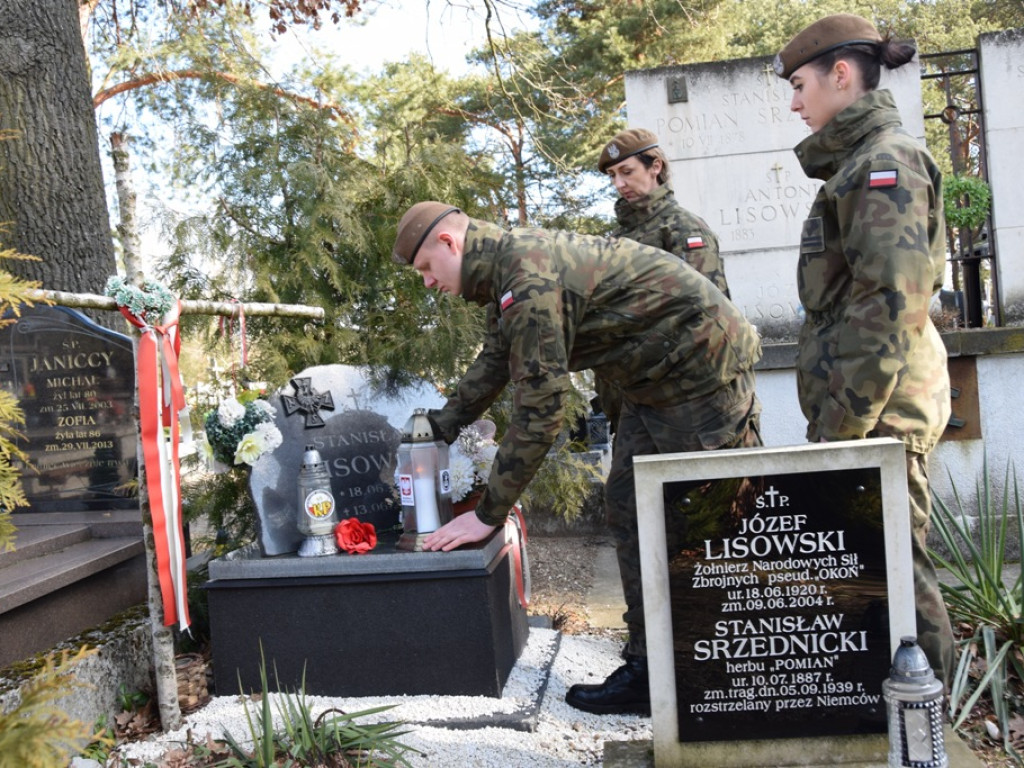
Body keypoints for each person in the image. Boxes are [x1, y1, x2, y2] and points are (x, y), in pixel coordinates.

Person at [392, 201, 763, 715]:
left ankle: (741, 673)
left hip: (702, 376)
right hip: (652, 383)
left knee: (706, 524)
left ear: (450, 244)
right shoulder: (509, 272)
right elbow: (497, 360)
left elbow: (542, 412)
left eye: (427, 269)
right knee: (630, 507)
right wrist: (436, 428)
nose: (428, 283)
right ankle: (651, 670)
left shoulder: (527, 277)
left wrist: (487, 515)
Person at [774, 13, 955, 685]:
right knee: (882, 565)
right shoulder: (855, 165)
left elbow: (889, 305)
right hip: (865, 409)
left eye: (800, 85)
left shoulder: (883, 163)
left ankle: (929, 725)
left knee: (898, 572)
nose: (795, 103)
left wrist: (844, 431)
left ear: (840, 76)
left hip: (878, 413)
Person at [595, 129, 732, 432]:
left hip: (679, 402)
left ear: (655, 167)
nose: (619, 184)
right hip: (627, 402)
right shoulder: (615, 241)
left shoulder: (683, 229)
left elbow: (709, 315)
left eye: (627, 172)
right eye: (613, 176)